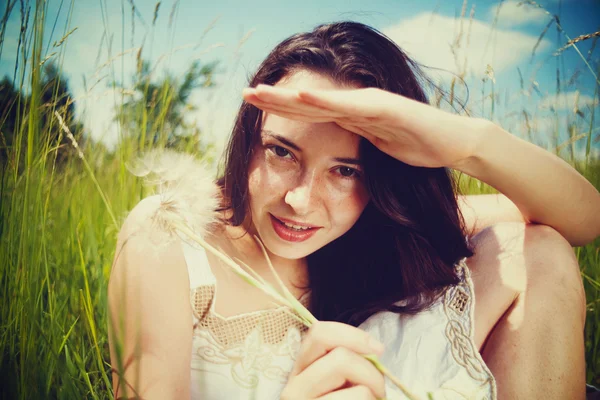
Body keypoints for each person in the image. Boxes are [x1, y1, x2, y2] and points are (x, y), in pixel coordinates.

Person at [107, 21, 599, 399]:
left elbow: (584, 220)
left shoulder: (379, 226)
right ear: (249, 138)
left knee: (539, 250)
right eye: (282, 151)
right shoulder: (173, 236)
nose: (299, 200)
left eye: (345, 171)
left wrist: (468, 145)